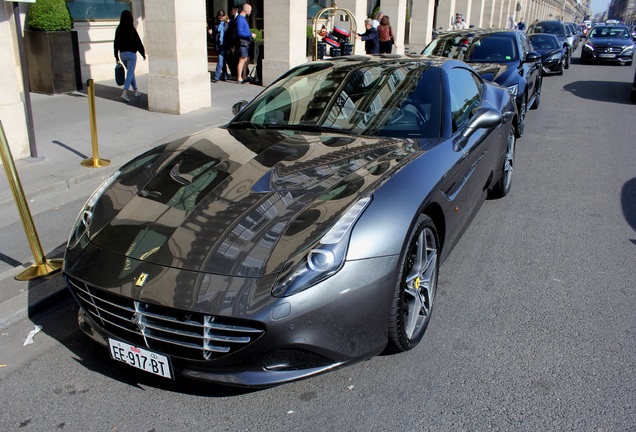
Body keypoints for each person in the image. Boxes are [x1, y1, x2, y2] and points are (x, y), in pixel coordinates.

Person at [114, 10, 146, 102]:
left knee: (130, 73)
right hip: (131, 54)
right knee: (130, 73)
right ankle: (124, 93)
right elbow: (138, 42)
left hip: (122, 54)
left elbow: (115, 44)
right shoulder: (131, 29)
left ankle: (136, 90)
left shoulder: (118, 29)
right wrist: (142, 53)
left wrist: (116, 56)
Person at [235, 4, 256, 84]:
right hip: (243, 42)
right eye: (250, 10)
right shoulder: (240, 19)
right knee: (242, 59)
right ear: (246, 10)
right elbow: (240, 33)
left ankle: (244, 76)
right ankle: (239, 78)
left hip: (246, 42)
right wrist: (250, 34)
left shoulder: (242, 19)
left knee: (246, 59)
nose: (250, 12)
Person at [211, 10, 229, 82]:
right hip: (218, 44)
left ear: (225, 16)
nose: (221, 18)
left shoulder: (227, 24)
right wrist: (211, 32)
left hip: (224, 44)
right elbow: (214, 32)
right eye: (219, 16)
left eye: (222, 16)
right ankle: (225, 75)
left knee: (220, 59)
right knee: (222, 60)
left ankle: (216, 76)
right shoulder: (216, 23)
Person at [224, 6, 240, 79]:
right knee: (231, 58)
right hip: (230, 43)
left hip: (235, 43)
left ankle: (237, 74)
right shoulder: (232, 19)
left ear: (234, 11)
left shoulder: (238, 19)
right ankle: (234, 73)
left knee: (236, 59)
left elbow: (235, 32)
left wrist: (234, 44)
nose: (230, 12)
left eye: (231, 11)